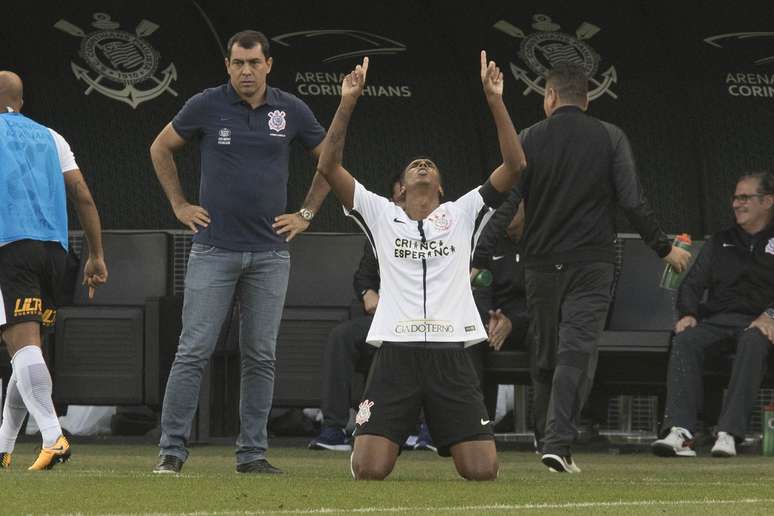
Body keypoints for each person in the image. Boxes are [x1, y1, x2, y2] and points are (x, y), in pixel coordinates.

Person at [315, 51, 527, 480]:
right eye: (414, 165)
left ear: (441, 187)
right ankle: (376, 434)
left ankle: (446, 431)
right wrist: (347, 103)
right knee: (371, 469)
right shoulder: (379, 213)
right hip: (395, 353)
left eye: (429, 165)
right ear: (400, 189)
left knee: (482, 471)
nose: (422, 164)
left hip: (451, 352)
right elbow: (328, 166)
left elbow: (516, 165)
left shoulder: (463, 212)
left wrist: (495, 101)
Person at [489, 62, 690, 473]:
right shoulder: (610, 137)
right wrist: (663, 247)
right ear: (587, 97)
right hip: (591, 263)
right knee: (575, 349)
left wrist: (475, 254)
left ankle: (551, 443)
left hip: (541, 264)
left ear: (549, 97)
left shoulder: (528, 137)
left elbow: (508, 203)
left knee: (545, 354)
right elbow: (632, 201)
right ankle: (558, 444)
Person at [149, 30, 328, 475]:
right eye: (237, 63)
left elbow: (331, 160)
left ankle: (252, 454)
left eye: (253, 63)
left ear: (269, 65)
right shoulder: (206, 104)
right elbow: (160, 147)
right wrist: (179, 204)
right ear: (227, 66)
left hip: (270, 254)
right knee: (193, 349)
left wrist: (305, 213)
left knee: (260, 355)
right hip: (213, 250)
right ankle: (171, 450)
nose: (245, 71)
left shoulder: (292, 110)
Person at [0, 71, 107, 470]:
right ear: (21, 102)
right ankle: (4, 445)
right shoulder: (51, 136)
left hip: (10, 246)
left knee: (22, 346)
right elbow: (82, 195)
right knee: (25, 349)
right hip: (55, 253)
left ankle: (52, 436)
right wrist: (96, 254)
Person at [308, 175, 436, 453]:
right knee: (342, 336)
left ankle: (429, 431)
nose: (402, 203)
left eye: (408, 197)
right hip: (383, 321)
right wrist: (368, 293)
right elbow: (364, 276)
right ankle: (333, 428)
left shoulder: (441, 232)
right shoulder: (382, 231)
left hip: (428, 323)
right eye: (398, 198)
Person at [653, 172, 774, 458]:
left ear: (768, 201)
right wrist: (688, 313)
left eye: (745, 197)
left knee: (754, 339)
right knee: (685, 340)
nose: (737, 204)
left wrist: (771, 315)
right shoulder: (721, 241)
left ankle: (728, 433)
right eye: (735, 197)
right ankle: (680, 432)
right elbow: (691, 285)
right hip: (718, 321)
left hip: (761, 325)